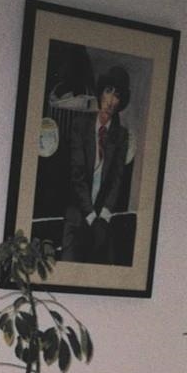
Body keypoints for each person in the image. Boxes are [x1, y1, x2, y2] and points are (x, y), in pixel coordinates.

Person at [61, 65, 130, 264]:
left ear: (120, 101)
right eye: (108, 91)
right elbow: (77, 174)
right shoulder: (80, 126)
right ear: (100, 92)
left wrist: (104, 215)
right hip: (78, 213)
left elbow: (118, 178)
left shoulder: (121, 136)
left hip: (102, 218)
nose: (110, 100)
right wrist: (89, 215)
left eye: (117, 95)